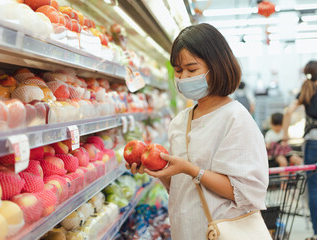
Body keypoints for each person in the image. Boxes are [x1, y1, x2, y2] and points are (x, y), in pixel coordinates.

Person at [126, 23, 269, 239]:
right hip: (186, 230)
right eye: (178, 70)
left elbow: (246, 192)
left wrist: (192, 170)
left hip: (222, 231)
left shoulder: (235, 118)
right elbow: (181, 189)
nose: (183, 77)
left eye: (192, 70)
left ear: (217, 66)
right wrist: (156, 170)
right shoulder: (179, 122)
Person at [282, 60, 317, 240]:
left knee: (313, 188)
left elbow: (288, 112)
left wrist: (285, 136)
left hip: (312, 142)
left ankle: (316, 232)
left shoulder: (306, 89)